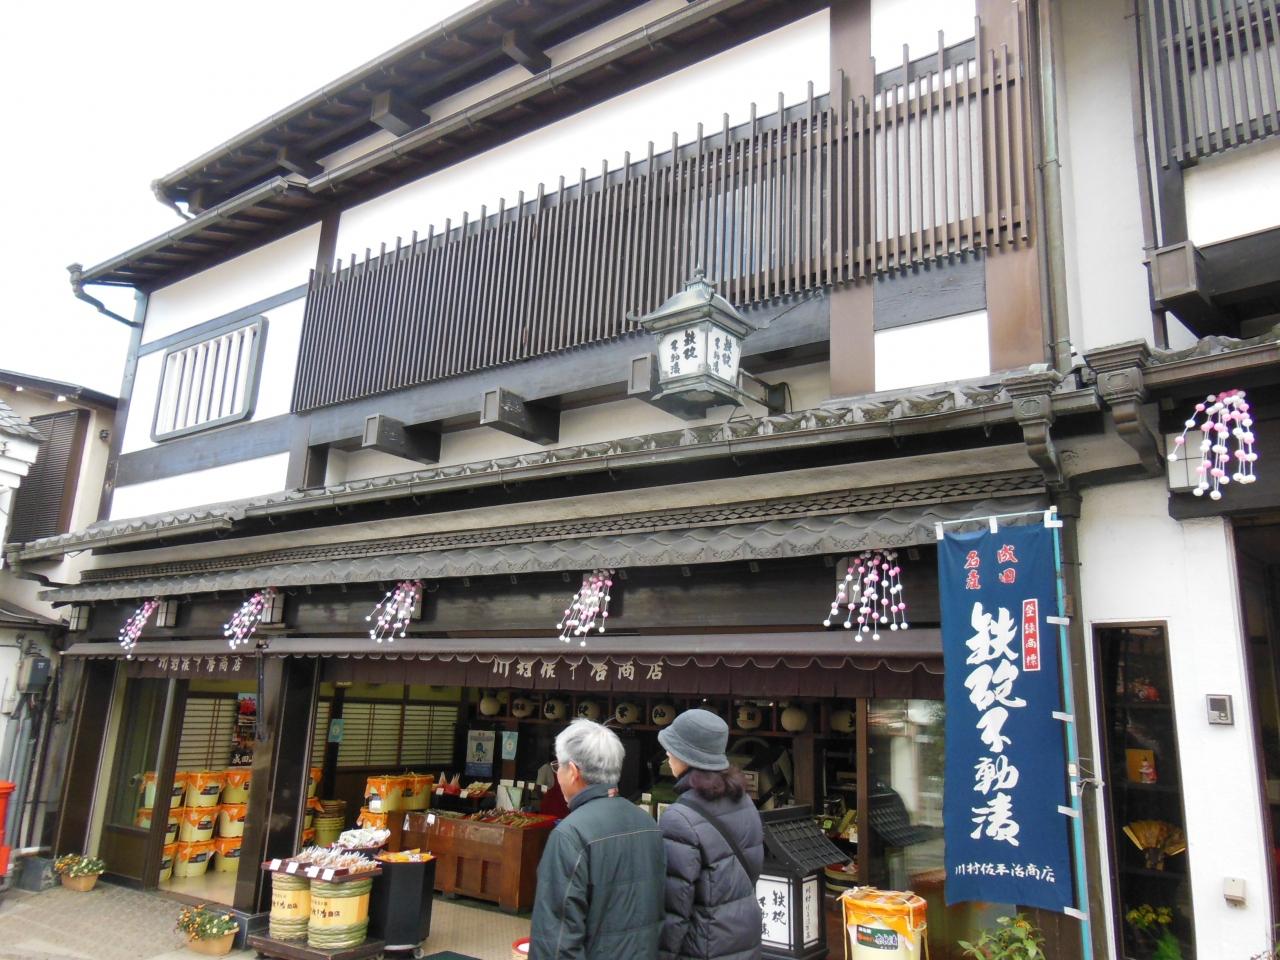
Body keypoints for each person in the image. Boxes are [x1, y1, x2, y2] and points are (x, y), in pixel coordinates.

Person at [530, 719, 665, 960]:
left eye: (558, 767)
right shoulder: (648, 824)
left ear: (573, 771)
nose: (557, 774)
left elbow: (556, 940)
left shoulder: (570, 834)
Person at [657, 709, 765, 960]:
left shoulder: (679, 818)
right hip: (743, 935)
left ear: (687, 755)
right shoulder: (744, 802)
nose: (667, 753)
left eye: (671, 748)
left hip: (702, 945)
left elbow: (674, 907)